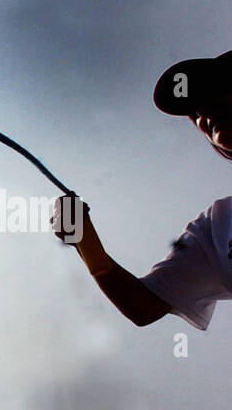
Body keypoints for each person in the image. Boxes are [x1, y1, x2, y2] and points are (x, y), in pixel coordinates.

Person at [54, 50, 232, 329]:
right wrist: (83, 239)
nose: (202, 113)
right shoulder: (217, 226)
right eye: (195, 110)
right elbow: (142, 305)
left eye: (218, 89)